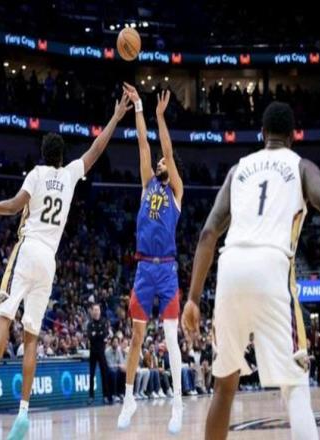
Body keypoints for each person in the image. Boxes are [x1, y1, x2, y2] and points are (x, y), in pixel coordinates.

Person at [181, 101, 320, 440]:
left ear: (262, 134)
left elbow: (208, 233)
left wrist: (193, 298)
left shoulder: (238, 169)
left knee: (224, 384)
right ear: (294, 136)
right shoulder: (301, 167)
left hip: (230, 265)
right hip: (272, 265)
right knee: (295, 384)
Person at [0, 93, 132, 440]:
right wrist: (116, 117)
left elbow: (14, 206)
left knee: (3, 318)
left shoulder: (37, 174)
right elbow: (97, 148)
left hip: (28, 249)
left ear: (43, 155)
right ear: (62, 156)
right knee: (31, 337)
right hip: (50, 261)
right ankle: (23, 414)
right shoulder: (70, 175)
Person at [118, 83, 183, 433]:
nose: (159, 162)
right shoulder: (147, 185)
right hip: (144, 269)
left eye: (163, 162)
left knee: (171, 338)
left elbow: (166, 150)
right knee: (136, 338)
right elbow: (143, 143)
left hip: (168, 270)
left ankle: (178, 405)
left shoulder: (176, 192)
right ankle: (128, 400)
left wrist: (160, 116)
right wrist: (141, 107)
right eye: (158, 162)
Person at [87, 303, 111, 404]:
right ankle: (91, 396)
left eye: (98, 310)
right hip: (93, 352)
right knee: (91, 374)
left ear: (100, 311)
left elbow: (105, 334)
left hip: (101, 351)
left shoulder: (104, 322)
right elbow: (90, 336)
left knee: (104, 374)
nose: (96, 312)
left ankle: (106, 396)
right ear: (92, 312)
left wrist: (96, 334)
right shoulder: (89, 324)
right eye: (95, 310)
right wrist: (99, 334)